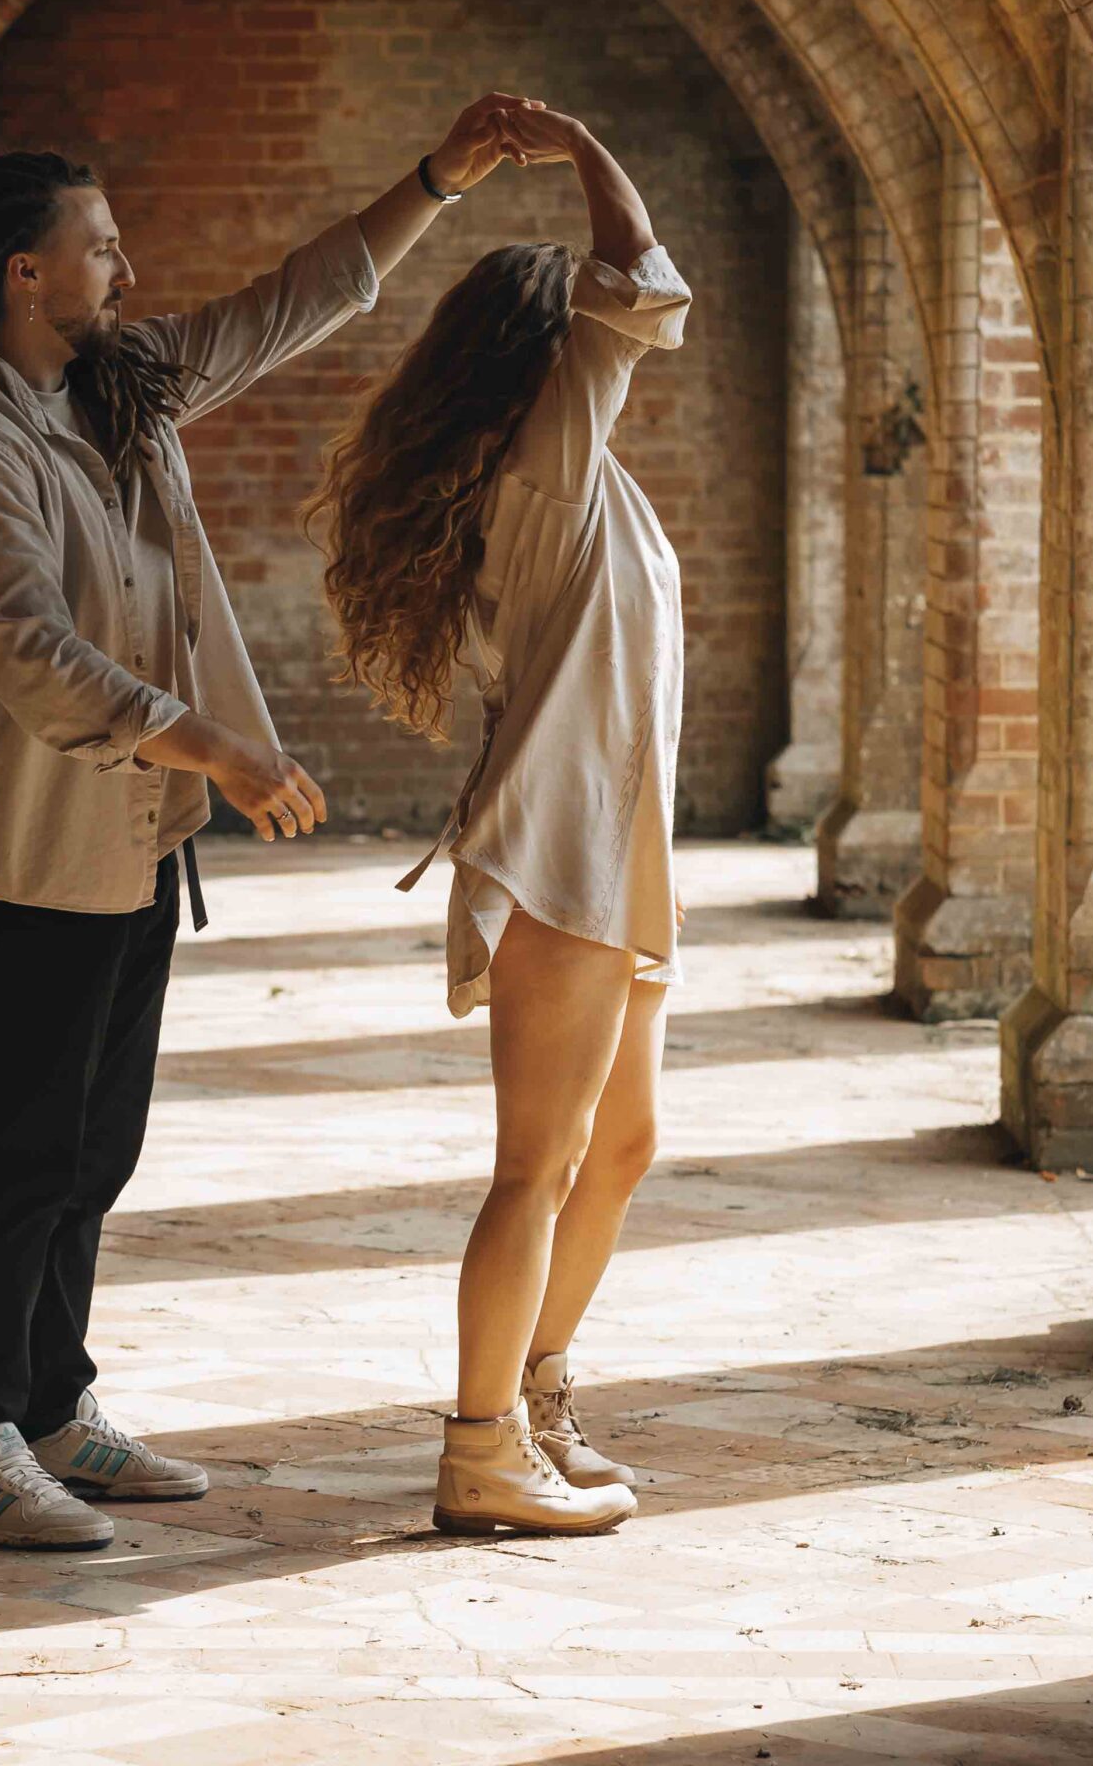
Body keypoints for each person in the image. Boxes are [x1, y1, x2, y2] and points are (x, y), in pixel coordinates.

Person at [0, 97, 527, 1550]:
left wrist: (433, 178)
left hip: (134, 840)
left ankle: (49, 1408)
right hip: (30, 850)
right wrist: (218, 741)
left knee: (95, 1150)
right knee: (24, 1150)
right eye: (100, 248)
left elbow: (289, 304)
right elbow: (36, 652)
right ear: (23, 276)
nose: (129, 269)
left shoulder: (121, 384)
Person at [304, 102, 690, 1535]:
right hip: (557, 855)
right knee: (535, 1164)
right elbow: (645, 280)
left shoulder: (569, 481)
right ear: (551, 355)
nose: (624, 356)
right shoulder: (549, 464)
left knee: (623, 1143)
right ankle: (480, 1450)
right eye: (588, 341)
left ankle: (535, 1399)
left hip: (618, 852)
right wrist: (590, 145)